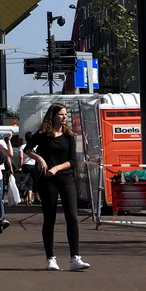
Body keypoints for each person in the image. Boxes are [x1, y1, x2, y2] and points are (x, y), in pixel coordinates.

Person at [25, 103, 90, 271]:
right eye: (61, 114)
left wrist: (56, 168)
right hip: (48, 181)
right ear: (53, 116)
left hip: (66, 178)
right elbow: (28, 149)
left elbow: (73, 161)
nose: (64, 117)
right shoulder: (43, 134)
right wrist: (40, 159)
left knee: (72, 216)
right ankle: (50, 258)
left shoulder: (69, 135)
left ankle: (75, 257)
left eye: (65, 114)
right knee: (50, 218)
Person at [19, 131, 38, 205]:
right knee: (36, 181)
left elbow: (21, 157)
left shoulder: (23, 146)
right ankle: (36, 198)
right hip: (34, 165)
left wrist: (20, 166)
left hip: (26, 165)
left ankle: (29, 199)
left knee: (28, 182)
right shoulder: (36, 146)